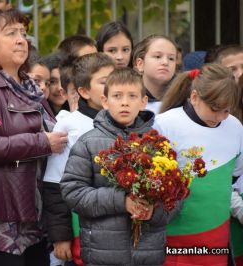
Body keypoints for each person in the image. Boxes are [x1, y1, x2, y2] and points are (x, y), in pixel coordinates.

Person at [0, 8, 68, 266]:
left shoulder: (30, 86)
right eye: (11, 33)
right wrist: (41, 143)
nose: (22, 39)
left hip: (35, 211)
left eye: (23, 32)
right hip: (0, 216)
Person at [60, 68, 178, 265]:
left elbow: (176, 196)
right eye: (117, 96)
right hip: (103, 255)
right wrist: (121, 201)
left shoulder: (157, 145)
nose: (125, 102)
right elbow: (73, 192)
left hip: (148, 255)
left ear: (143, 102)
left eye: (132, 96)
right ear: (105, 101)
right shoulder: (88, 143)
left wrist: (153, 210)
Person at [154, 63, 241, 266]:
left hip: (217, 235)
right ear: (194, 97)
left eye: (227, 111)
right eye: (215, 109)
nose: (220, 117)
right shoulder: (165, 124)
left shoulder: (235, 127)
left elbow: (236, 177)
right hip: (175, 236)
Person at [43, 52, 115, 266]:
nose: (112, 87)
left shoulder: (127, 121)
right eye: (104, 82)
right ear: (83, 91)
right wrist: (61, 236)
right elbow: (54, 183)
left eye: (114, 79)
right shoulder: (70, 124)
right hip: (81, 230)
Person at [133, 34, 177, 114]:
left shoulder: (186, 100)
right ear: (140, 64)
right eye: (157, 56)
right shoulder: (127, 100)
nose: (165, 62)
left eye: (171, 58)